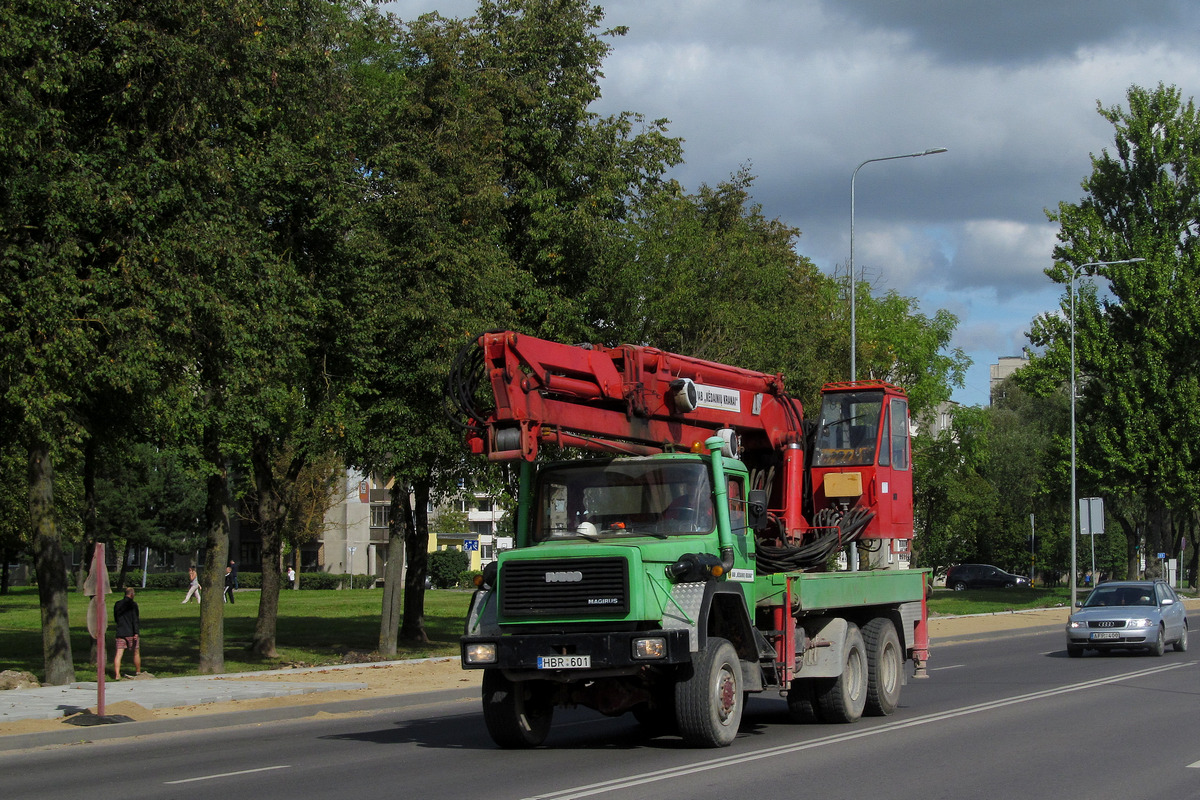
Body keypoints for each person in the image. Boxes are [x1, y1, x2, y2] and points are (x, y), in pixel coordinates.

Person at [113, 587, 141, 680]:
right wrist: (136, 632)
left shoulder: (117, 604)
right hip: (131, 632)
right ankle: (138, 671)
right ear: (132, 594)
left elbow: (116, 618)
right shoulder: (133, 605)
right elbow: (135, 619)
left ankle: (117, 674)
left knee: (119, 653)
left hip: (120, 632)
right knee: (136, 652)